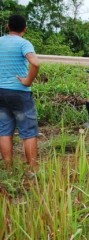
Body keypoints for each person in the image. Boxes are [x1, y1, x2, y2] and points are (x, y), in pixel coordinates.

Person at [0, 14, 40, 171]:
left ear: (8, 26)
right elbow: (35, 62)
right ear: (25, 28)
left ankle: (9, 169)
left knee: (4, 130)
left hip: (1, 92)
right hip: (19, 93)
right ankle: (32, 169)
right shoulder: (24, 43)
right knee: (28, 131)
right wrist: (28, 81)